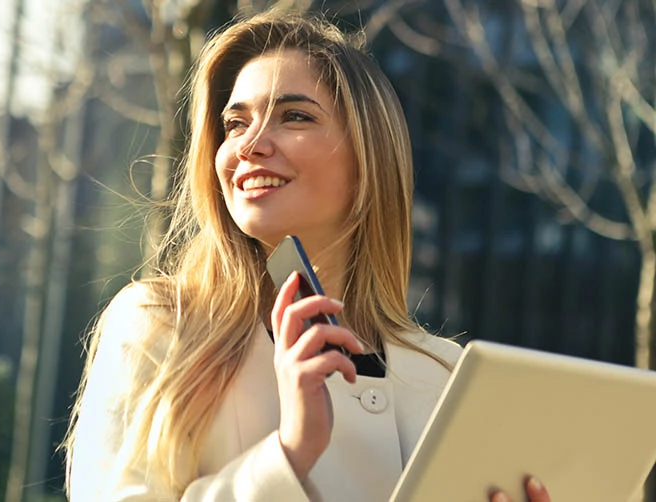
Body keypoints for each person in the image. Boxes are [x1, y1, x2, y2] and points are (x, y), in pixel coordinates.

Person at [63, 10, 552, 502]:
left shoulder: (445, 374)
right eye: (235, 122)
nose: (249, 145)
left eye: (294, 116)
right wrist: (288, 454)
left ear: (369, 158)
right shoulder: (162, 325)